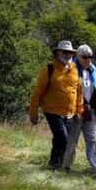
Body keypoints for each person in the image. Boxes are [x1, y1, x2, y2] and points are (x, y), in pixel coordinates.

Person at [29, 40, 84, 170]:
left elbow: (79, 92)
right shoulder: (49, 70)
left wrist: (79, 110)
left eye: (70, 52)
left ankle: (54, 164)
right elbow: (37, 93)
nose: (67, 55)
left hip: (70, 113)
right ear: (57, 53)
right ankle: (57, 165)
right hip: (52, 111)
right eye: (64, 52)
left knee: (60, 139)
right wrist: (33, 113)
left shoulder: (75, 71)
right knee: (62, 137)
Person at [64, 44, 96, 173]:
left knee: (92, 139)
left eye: (90, 57)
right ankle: (66, 166)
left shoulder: (93, 70)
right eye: (85, 57)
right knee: (72, 139)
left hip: (91, 110)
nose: (88, 60)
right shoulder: (71, 69)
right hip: (76, 110)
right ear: (78, 56)